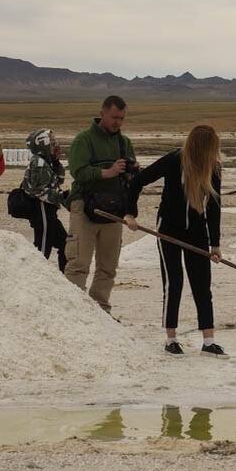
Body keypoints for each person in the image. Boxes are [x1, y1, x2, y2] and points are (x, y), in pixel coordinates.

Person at [126, 125, 226, 358]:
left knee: (202, 284)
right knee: (174, 282)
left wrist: (215, 245)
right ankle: (171, 339)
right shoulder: (174, 160)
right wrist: (130, 214)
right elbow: (138, 181)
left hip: (197, 232)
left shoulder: (214, 168)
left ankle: (209, 342)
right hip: (168, 230)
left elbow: (214, 208)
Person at [65, 96, 137, 314]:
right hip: (85, 207)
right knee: (79, 263)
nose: (118, 122)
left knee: (108, 266)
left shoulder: (124, 143)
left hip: (113, 209)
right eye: (114, 117)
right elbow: (77, 171)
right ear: (103, 113)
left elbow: (131, 176)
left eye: (122, 119)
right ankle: (72, 312)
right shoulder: (83, 140)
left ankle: (100, 311)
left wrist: (131, 171)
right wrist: (109, 172)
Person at [21, 128, 68, 272]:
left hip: (49, 211)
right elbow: (40, 193)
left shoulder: (46, 161)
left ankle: (65, 279)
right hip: (42, 210)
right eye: (52, 143)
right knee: (42, 248)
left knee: (65, 243)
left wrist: (56, 161)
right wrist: (63, 197)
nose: (56, 146)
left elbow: (58, 181)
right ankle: (34, 278)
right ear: (44, 145)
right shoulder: (39, 163)